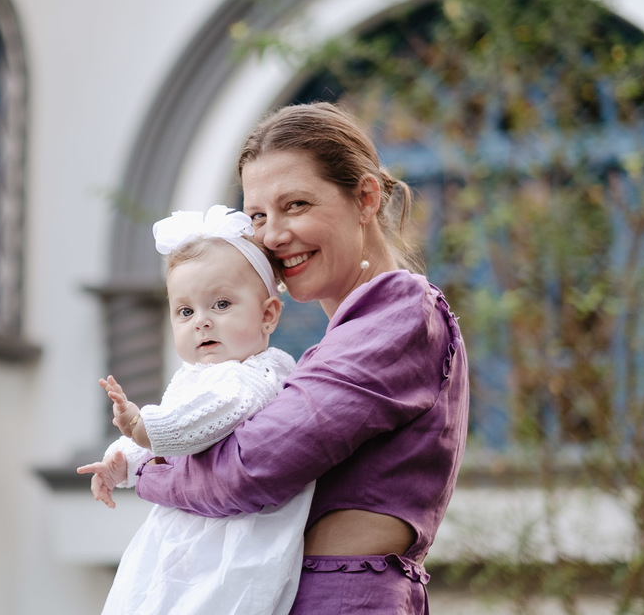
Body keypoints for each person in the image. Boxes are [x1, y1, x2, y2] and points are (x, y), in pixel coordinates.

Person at [133, 102, 470, 614]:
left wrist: (148, 471)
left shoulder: (397, 315)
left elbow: (251, 468)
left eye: (296, 205)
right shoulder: (345, 335)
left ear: (365, 198)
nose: (272, 235)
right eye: (258, 215)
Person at [77, 204, 315, 615]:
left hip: (232, 537)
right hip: (192, 527)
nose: (201, 322)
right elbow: (170, 438)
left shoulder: (253, 376)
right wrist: (123, 460)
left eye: (221, 305)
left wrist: (142, 425)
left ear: (268, 315)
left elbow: (205, 422)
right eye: (185, 311)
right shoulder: (195, 376)